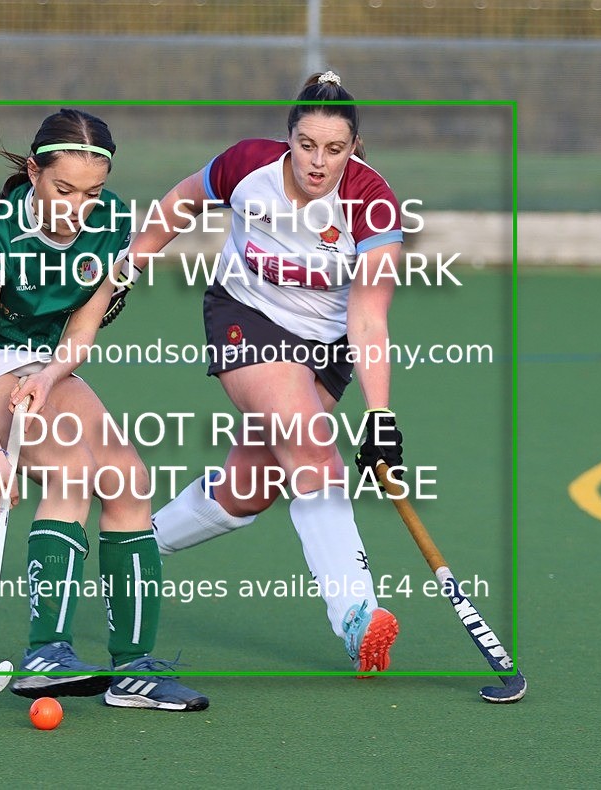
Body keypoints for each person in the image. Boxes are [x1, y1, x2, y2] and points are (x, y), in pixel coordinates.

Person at [111, 73, 405, 672]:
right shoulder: (248, 165)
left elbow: (368, 316)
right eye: (306, 144)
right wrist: (131, 263)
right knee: (313, 447)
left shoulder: (371, 204)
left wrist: (379, 415)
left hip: (328, 345)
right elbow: (184, 199)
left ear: (354, 148)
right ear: (287, 137)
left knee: (247, 491)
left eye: (334, 149)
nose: (318, 162)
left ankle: (135, 546)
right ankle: (356, 613)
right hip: (246, 315)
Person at [0, 108, 208, 711]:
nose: (78, 207)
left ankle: (133, 669)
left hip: (42, 361)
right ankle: (47, 652)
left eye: (91, 193)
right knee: (70, 468)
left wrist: (50, 375)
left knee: (128, 477)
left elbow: (83, 326)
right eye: (64, 190)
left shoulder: (111, 221)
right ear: (34, 173)